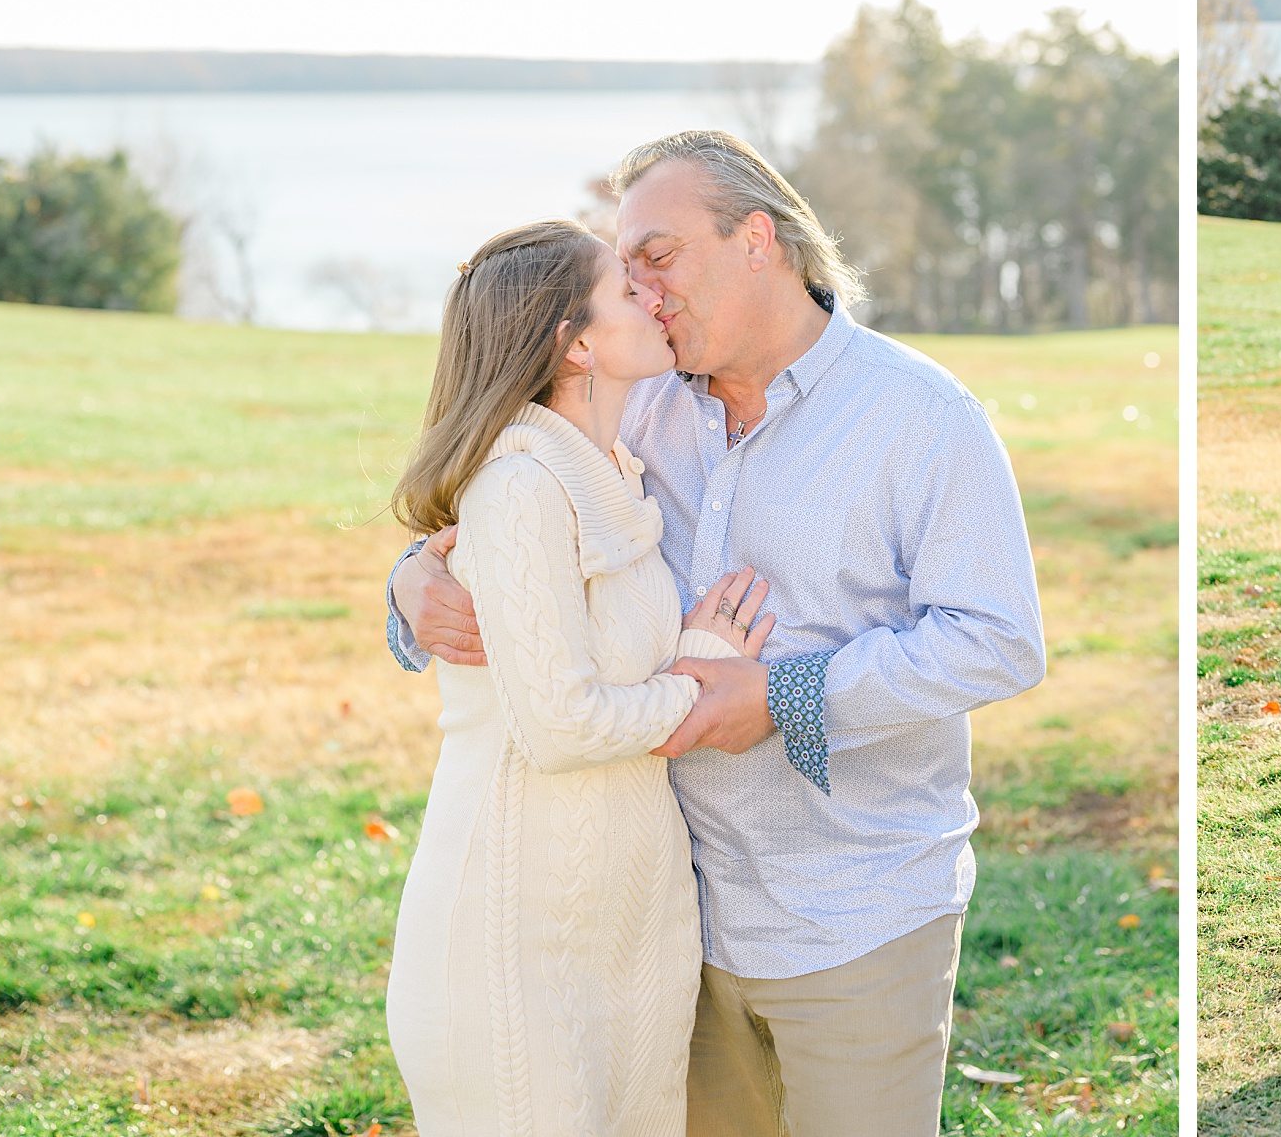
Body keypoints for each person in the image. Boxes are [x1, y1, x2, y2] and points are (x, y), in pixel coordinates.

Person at [386, 132, 1045, 1136]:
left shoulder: (921, 416)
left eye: (658, 255)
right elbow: (493, 508)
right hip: (669, 930)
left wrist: (785, 699)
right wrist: (406, 593)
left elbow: (999, 638)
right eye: (627, 269)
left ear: (755, 241)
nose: (643, 292)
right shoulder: (633, 401)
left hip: (856, 916)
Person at [382, 219, 775, 1134]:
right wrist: (701, 674)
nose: (651, 295)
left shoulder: (613, 464)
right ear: (578, 340)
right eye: (624, 288)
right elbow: (560, 725)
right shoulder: (520, 487)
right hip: (514, 942)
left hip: (619, 935)